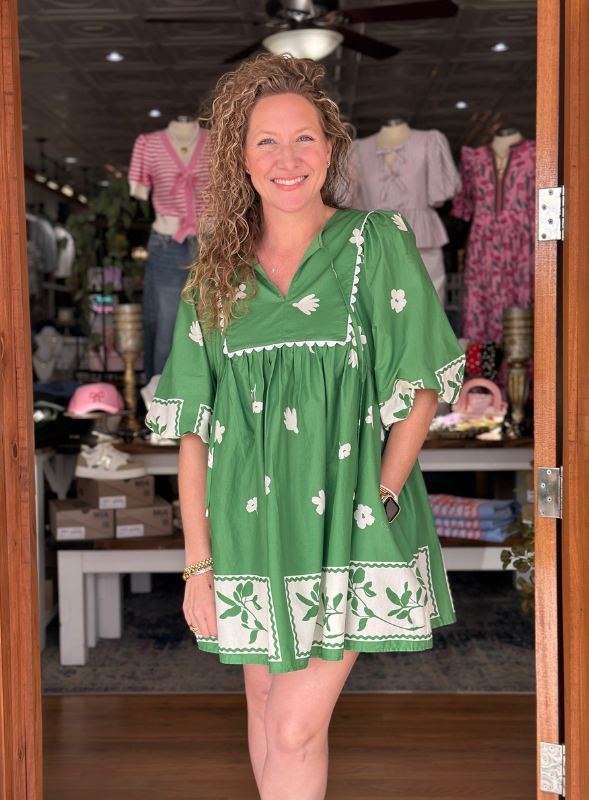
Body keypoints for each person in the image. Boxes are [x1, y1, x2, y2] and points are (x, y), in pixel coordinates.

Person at [145, 53, 465, 800]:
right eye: (266, 142)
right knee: (264, 707)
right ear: (240, 158)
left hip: (353, 521)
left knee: (293, 725)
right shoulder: (214, 273)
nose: (287, 159)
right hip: (248, 529)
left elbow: (420, 385)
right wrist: (198, 564)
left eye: (304, 139)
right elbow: (195, 428)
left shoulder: (376, 241)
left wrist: (383, 495)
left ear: (331, 147)